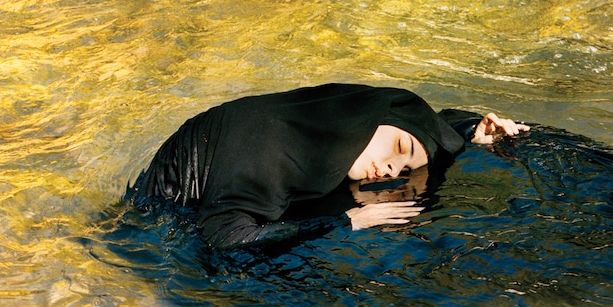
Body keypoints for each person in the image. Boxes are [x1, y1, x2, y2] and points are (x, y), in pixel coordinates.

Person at [125, 83, 527, 249]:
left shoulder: (336, 128)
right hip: (159, 229)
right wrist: (347, 222)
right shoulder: (273, 154)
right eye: (399, 148)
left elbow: (420, 125)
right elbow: (223, 236)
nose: (390, 170)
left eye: (402, 169)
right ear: (365, 119)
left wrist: (474, 131)